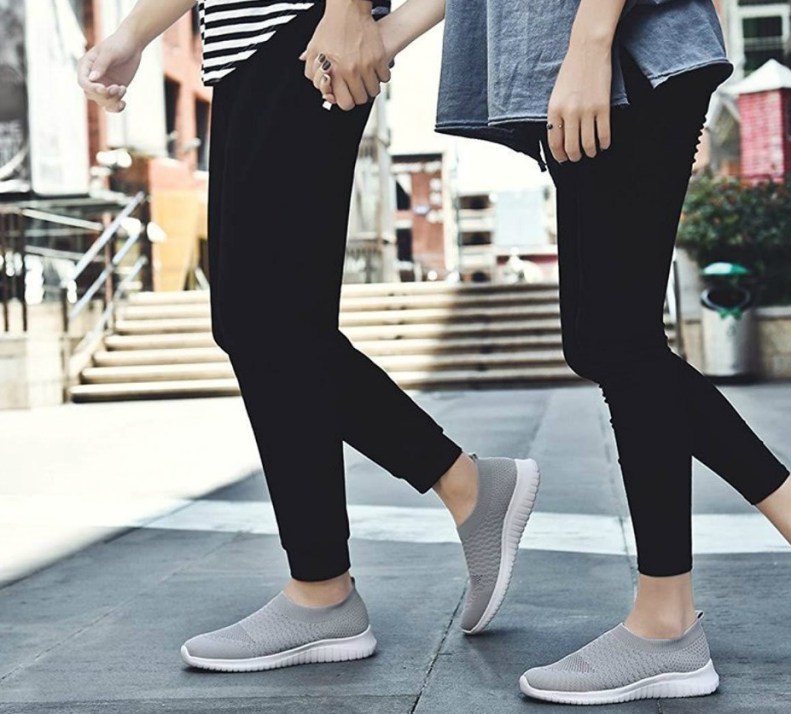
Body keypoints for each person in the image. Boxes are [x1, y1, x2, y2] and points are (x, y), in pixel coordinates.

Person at [365, 0, 791, 704]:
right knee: (600, 340)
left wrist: (590, 38)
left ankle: (668, 621)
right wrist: (390, 34)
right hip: (585, 63)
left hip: (621, 52)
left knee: (618, 339)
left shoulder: (599, 45)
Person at [78, 0, 540, 673]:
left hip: (300, 35)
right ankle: (420, 516)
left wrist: (354, 12)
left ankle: (332, 583)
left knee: (268, 322)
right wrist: (130, 35)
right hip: (248, 53)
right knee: (258, 323)